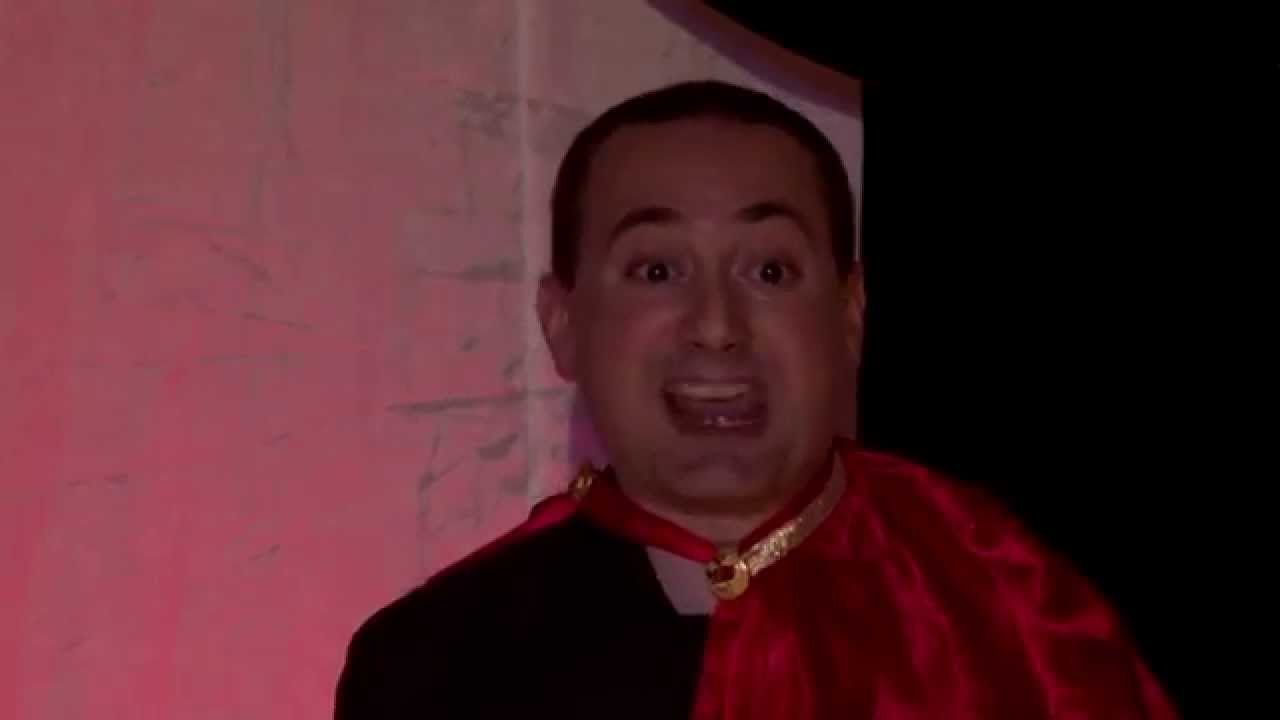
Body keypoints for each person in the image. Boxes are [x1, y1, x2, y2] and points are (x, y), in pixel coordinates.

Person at [333, 80, 1177, 719]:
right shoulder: (433, 664)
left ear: (850, 315)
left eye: (770, 270)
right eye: (656, 270)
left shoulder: (1016, 613)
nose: (716, 325)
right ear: (563, 323)